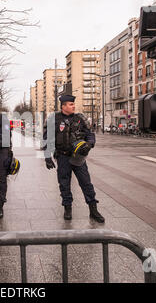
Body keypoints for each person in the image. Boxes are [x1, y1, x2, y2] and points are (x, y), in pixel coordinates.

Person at [43, 94, 105, 223]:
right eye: (71, 104)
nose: (73, 106)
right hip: (62, 157)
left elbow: (90, 135)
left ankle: (93, 210)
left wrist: (89, 144)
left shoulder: (80, 118)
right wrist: (47, 157)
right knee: (64, 184)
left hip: (78, 158)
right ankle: (67, 208)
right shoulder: (53, 119)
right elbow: (46, 138)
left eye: (73, 104)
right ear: (64, 106)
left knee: (86, 183)